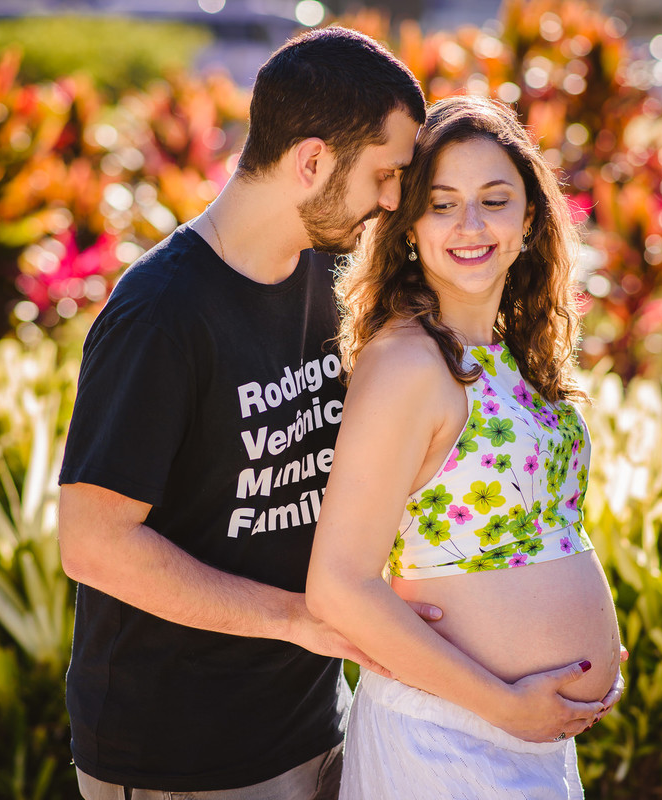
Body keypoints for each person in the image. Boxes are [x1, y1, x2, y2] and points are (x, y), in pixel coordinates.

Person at [56, 27, 427, 800]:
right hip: (181, 759)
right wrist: (299, 620)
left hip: (318, 723)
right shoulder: (160, 315)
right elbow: (93, 544)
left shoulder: (334, 272)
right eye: (385, 174)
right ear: (313, 161)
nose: (394, 200)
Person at [305, 94, 624, 799]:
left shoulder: (510, 354)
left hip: (522, 739)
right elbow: (337, 586)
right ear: (411, 225)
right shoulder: (406, 364)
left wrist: (584, 655)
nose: (470, 225)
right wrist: (503, 702)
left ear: (530, 218)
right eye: (443, 204)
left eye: (494, 199)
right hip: (447, 737)